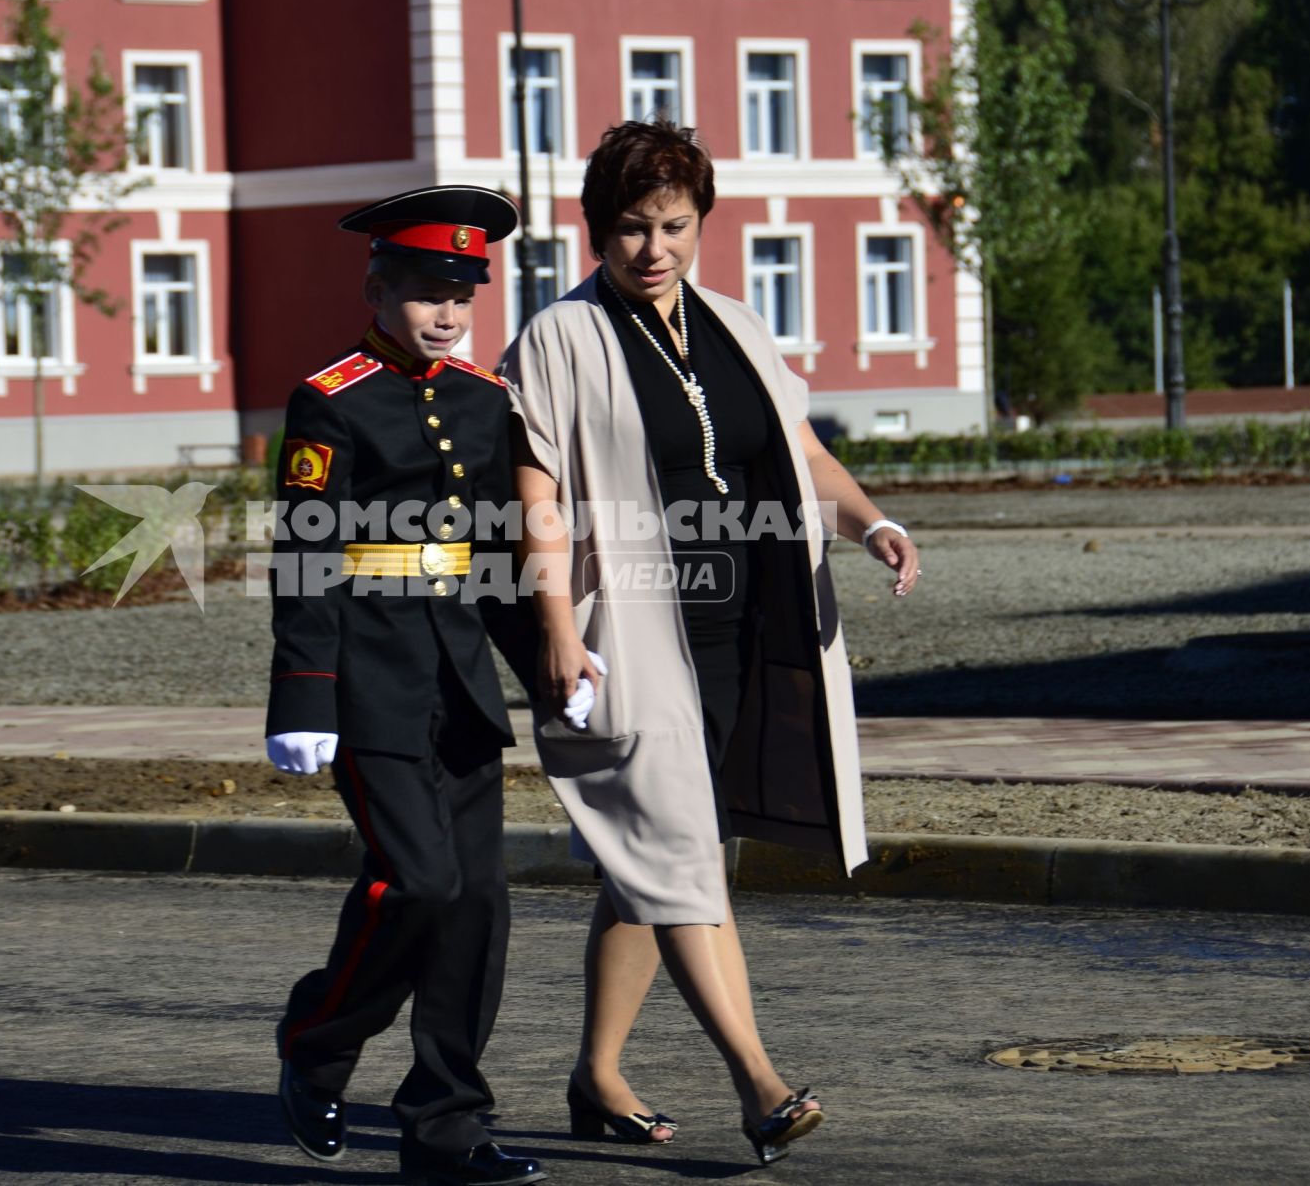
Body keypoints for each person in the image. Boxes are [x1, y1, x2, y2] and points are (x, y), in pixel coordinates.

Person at [498, 121, 921, 1167]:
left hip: (735, 624)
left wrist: (870, 521)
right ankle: (760, 1082)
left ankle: (597, 1073)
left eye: (676, 225)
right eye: (633, 227)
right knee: (680, 851)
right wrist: (554, 624)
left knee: (662, 852)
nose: (655, 247)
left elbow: (802, 447)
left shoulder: (735, 322)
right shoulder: (557, 338)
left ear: (702, 224)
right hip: (630, 629)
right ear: (598, 228)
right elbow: (535, 493)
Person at [265, 185, 557, 1186]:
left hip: (461, 684)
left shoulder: (482, 399)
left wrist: (553, 665)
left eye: (462, 295)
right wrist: (303, 694)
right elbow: (305, 557)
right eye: (428, 290)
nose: (445, 312)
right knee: (418, 883)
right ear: (378, 287)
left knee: (474, 903)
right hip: (368, 684)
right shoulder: (332, 399)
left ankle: (446, 1127)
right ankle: (316, 1038)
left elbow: (497, 557)